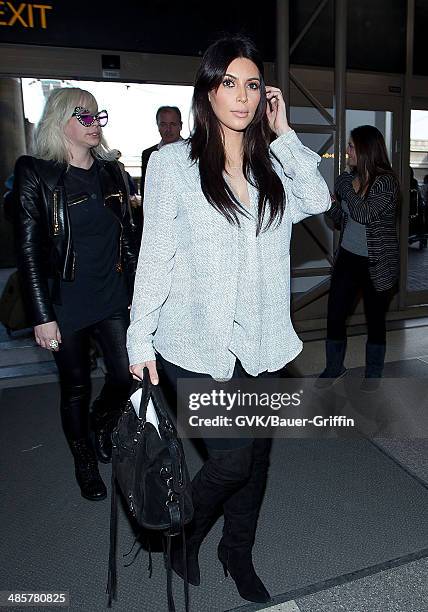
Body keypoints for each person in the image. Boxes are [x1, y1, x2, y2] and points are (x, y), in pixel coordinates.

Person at [127, 36, 330, 603]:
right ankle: (178, 535)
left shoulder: (273, 167)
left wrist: (286, 135)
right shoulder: (173, 164)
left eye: (252, 85)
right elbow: (156, 255)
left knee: (256, 456)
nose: (241, 97)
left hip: (262, 343)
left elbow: (318, 200)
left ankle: (235, 551)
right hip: (197, 344)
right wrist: (138, 335)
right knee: (233, 460)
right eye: (228, 83)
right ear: (208, 91)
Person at [12, 88, 138, 501]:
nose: (95, 124)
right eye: (84, 116)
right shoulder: (37, 173)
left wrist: (139, 291)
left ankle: (101, 424)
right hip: (65, 302)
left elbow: (131, 239)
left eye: (97, 116)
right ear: (60, 121)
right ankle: (83, 457)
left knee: (125, 376)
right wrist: (41, 314)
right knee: (76, 386)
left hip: (113, 295)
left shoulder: (113, 172)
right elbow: (28, 249)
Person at [319, 125, 400, 384]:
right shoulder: (350, 179)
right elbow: (347, 219)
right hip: (348, 258)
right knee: (335, 316)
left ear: (366, 149)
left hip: (378, 263)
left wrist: (343, 186)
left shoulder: (386, 182)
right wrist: (329, 205)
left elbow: (364, 214)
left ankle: (373, 373)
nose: (347, 151)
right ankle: (334, 368)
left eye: (352, 146)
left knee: (375, 320)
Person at [134, 106, 183, 244]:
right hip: (156, 223)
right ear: (158, 126)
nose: (168, 129)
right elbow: (146, 191)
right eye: (163, 124)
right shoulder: (148, 154)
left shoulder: (193, 153)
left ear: (180, 126)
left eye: (173, 124)